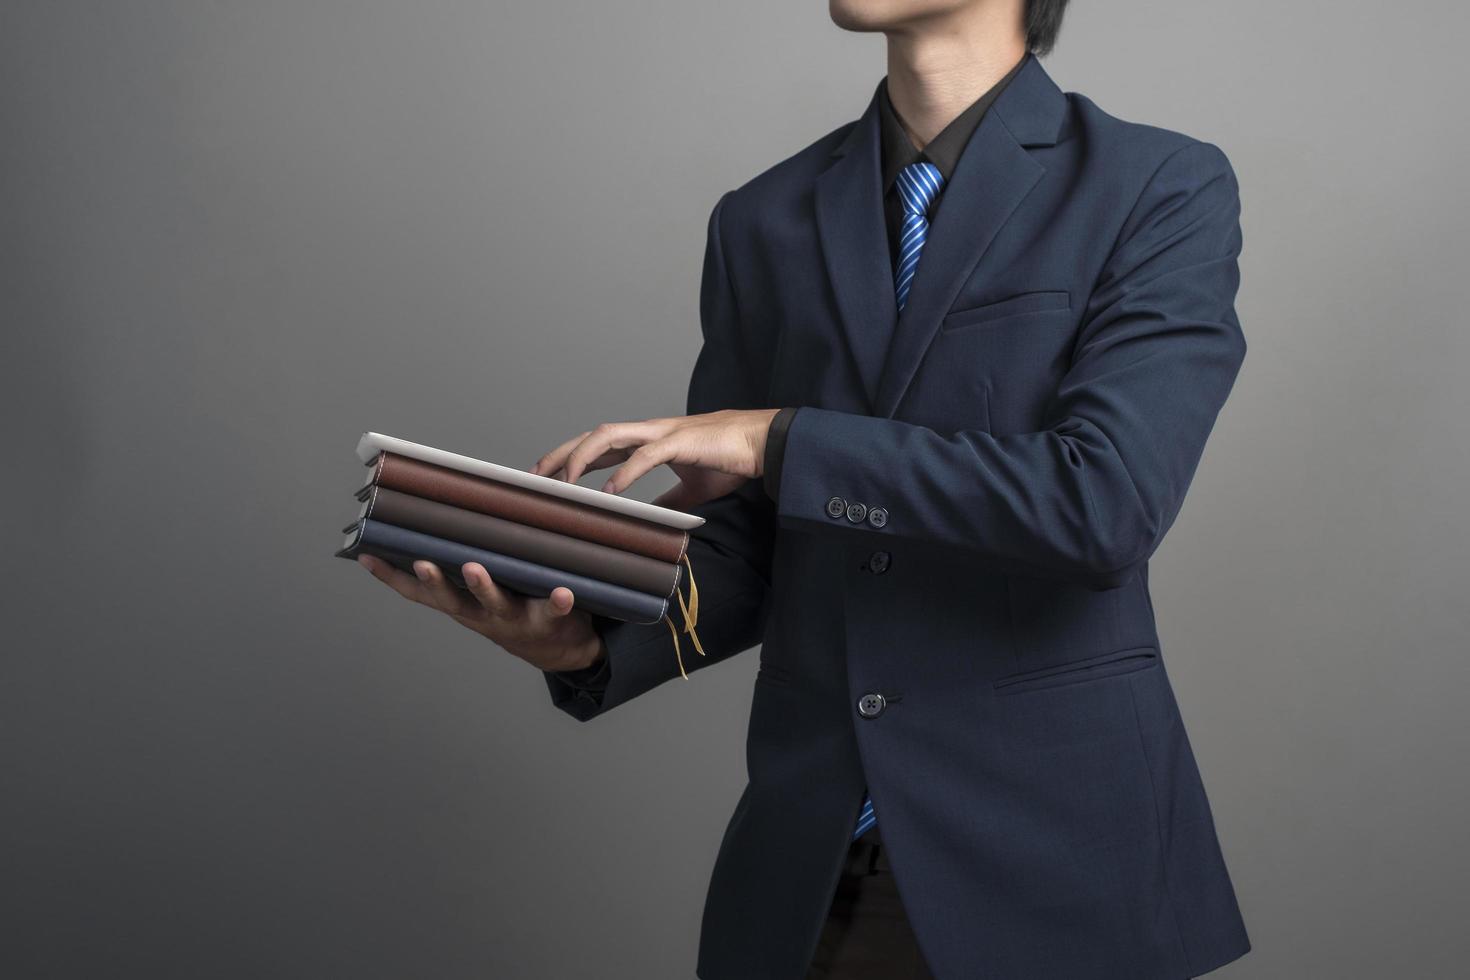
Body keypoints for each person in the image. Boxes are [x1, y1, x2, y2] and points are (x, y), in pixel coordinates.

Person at [357, 0, 1253, 976]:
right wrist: (587, 633)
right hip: (810, 879)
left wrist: (779, 438)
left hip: (1056, 876)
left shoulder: (1155, 186)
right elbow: (756, 539)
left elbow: (1103, 503)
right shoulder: (763, 219)